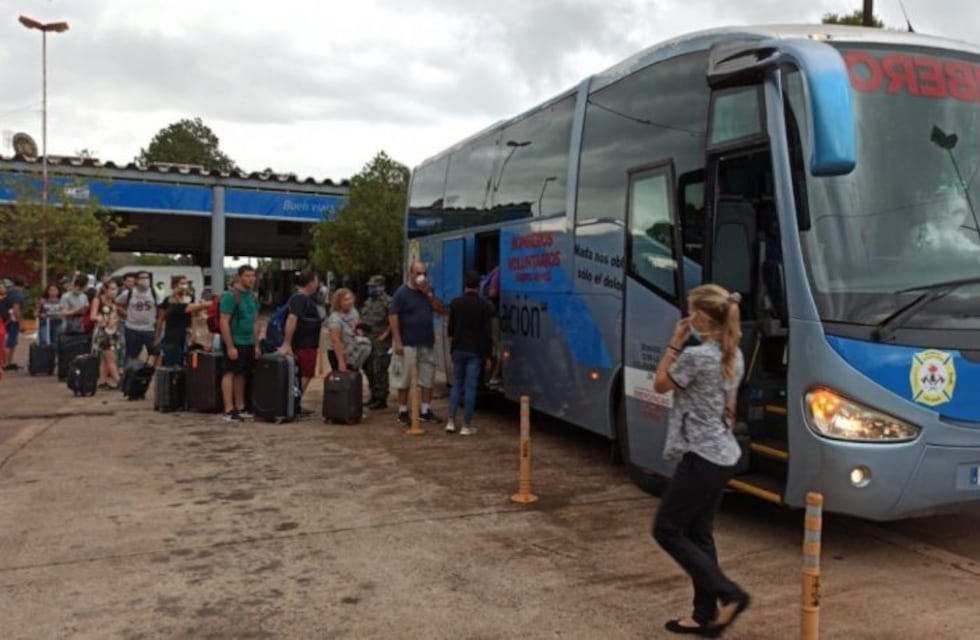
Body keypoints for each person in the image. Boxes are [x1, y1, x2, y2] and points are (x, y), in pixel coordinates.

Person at [651, 283, 750, 638]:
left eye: (693, 312)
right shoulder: (733, 354)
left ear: (704, 318)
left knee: (666, 529)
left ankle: (730, 594)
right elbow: (731, 406)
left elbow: (660, 384)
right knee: (699, 534)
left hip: (702, 457)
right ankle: (704, 615)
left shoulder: (697, 356)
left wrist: (675, 343)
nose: (688, 318)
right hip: (723, 453)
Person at [389, 260, 445, 425]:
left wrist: (428, 294)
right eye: (418, 273)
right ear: (411, 274)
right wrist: (398, 341)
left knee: (427, 375)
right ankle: (402, 410)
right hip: (407, 342)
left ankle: (425, 409)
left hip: (426, 341)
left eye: (424, 274)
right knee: (405, 377)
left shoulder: (428, 291)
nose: (422, 277)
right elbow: (393, 316)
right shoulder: (402, 293)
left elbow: (440, 310)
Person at [445, 270, 493, 436]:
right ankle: (466, 424)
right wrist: (488, 356)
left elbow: (450, 329)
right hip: (475, 351)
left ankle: (450, 421)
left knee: (457, 384)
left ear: (465, 285)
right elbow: (487, 334)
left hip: (458, 349)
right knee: (470, 387)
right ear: (478, 285)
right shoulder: (484, 306)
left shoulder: (455, 303)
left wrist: (452, 349)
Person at [219, 265, 261, 422]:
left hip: (248, 342)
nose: (251, 279)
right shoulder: (231, 296)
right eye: (247, 276)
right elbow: (224, 322)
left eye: (253, 276)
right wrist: (230, 346)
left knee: (241, 373)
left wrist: (256, 344)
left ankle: (241, 406)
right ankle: (228, 409)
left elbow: (256, 321)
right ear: (239, 277)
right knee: (229, 373)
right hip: (235, 341)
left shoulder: (252, 297)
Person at [277, 270, 321, 413]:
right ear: (311, 283)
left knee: (303, 374)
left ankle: (294, 403)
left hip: (307, 344)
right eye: (316, 280)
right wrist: (287, 343)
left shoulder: (301, 298)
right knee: (304, 374)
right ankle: (292, 403)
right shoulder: (300, 298)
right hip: (303, 345)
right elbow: (292, 319)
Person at [159, 274, 210, 367]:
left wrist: (194, 333)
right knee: (172, 364)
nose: (185, 286)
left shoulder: (189, 299)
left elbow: (193, 315)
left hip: (184, 335)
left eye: (186, 283)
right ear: (175, 286)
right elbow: (161, 317)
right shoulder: (171, 301)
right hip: (172, 338)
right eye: (182, 284)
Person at [360, 274, 393, 410]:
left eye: (374, 286)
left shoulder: (388, 302)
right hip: (367, 340)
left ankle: (381, 398)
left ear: (382, 287)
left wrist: (386, 334)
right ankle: (373, 394)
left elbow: (394, 319)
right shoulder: (368, 301)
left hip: (381, 341)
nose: (371, 289)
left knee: (379, 369)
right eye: (370, 287)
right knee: (368, 369)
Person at [116, 270, 163, 364]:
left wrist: (158, 331)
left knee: (156, 353)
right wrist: (125, 314)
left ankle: (154, 373)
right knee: (131, 355)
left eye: (147, 278)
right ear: (136, 280)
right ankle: (130, 373)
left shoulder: (154, 292)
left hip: (149, 329)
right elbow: (117, 304)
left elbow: (161, 310)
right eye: (143, 278)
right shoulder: (128, 293)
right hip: (132, 329)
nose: (146, 280)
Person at [325, 288, 372, 373]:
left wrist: (359, 331)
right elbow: (336, 340)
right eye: (346, 300)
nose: (349, 301)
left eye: (350, 298)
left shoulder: (354, 312)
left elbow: (357, 326)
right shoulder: (335, 319)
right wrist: (341, 362)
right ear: (339, 302)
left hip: (351, 350)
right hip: (338, 352)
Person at [90, 282, 122, 389]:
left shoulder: (113, 301)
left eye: (115, 289)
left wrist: (114, 321)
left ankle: (102, 381)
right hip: (103, 332)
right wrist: (102, 320)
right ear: (105, 289)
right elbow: (92, 316)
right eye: (112, 289)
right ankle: (118, 381)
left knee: (105, 359)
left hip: (112, 331)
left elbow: (116, 315)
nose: (114, 292)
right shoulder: (98, 300)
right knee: (111, 358)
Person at [3, 277, 25, 371]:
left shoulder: (8, 292)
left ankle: (8, 362)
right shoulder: (18, 295)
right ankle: (6, 363)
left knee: (10, 341)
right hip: (13, 320)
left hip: (5, 319)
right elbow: (16, 309)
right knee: (10, 342)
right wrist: (21, 323)